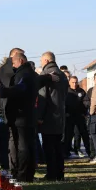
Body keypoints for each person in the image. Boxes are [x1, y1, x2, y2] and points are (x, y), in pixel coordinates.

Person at [0, 53, 37, 182]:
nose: (13, 66)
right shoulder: (30, 72)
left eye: (14, 63)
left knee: (22, 147)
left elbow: (19, 89)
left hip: (21, 116)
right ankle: (28, 173)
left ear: (20, 61)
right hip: (28, 115)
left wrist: (2, 91)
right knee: (27, 145)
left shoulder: (23, 74)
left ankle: (23, 174)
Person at [37, 51, 68, 181]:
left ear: (46, 61)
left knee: (48, 147)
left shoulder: (46, 75)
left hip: (48, 115)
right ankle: (60, 173)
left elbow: (43, 97)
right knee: (58, 146)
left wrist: (39, 116)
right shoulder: (63, 75)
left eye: (41, 61)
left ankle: (51, 173)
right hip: (60, 114)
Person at [65, 76, 91, 158]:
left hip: (80, 116)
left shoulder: (81, 91)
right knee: (68, 135)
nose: (74, 84)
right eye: (73, 82)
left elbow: (86, 101)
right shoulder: (66, 91)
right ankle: (66, 152)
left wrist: (84, 110)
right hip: (69, 116)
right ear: (69, 82)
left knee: (84, 134)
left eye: (76, 82)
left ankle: (90, 152)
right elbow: (62, 103)